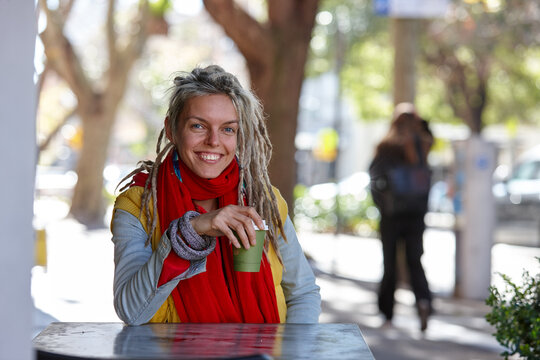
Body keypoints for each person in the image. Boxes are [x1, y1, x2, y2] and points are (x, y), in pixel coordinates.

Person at [111, 65, 321, 325]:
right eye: (198, 126)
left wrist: (291, 352)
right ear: (171, 129)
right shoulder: (138, 205)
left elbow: (302, 293)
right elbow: (131, 311)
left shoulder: (264, 199)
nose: (213, 141)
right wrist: (191, 232)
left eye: (228, 129)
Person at [368, 102, 433, 331]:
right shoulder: (422, 145)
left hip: (391, 214)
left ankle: (387, 313)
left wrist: (382, 205)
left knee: (390, 263)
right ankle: (424, 302)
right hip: (415, 214)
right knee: (415, 261)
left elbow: (374, 179)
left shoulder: (386, 146)